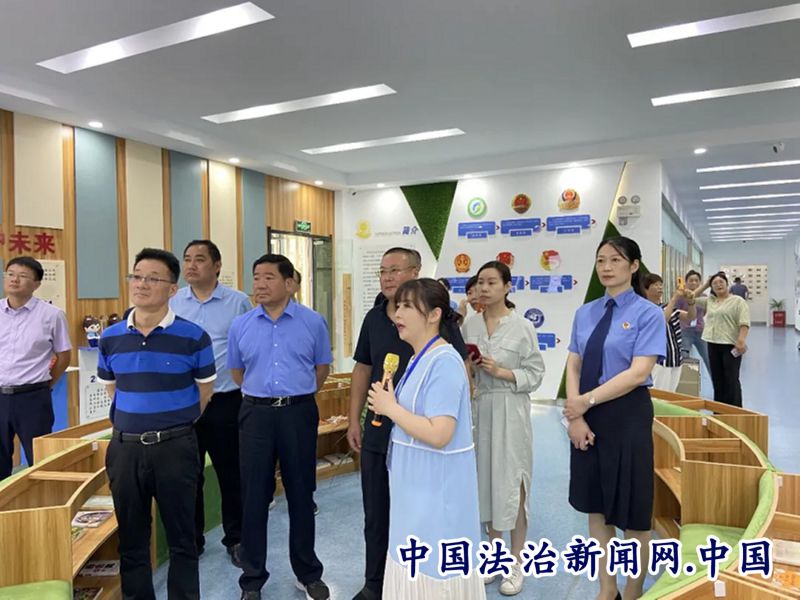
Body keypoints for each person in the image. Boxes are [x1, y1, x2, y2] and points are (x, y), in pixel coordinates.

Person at [347, 247, 469, 600]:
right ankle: (377, 583)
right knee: (379, 513)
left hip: (423, 439)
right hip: (382, 432)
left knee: (419, 515)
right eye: (382, 271)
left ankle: (420, 582)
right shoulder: (376, 322)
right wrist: (356, 418)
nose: (387, 277)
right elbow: (362, 369)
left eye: (395, 270)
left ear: (415, 272)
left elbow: (454, 387)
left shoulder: (440, 341)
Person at [97, 248, 216, 600]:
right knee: (132, 539)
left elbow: (204, 392)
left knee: (183, 538)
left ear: (172, 289)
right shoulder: (111, 337)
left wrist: (173, 424)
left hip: (176, 447)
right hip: (125, 449)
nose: (141, 284)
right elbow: (112, 388)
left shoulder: (194, 337)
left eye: (153, 278)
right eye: (136, 276)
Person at [367, 278, 484, 599]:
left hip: (436, 496)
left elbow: (440, 433)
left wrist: (390, 408)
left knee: (432, 575)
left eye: (407, 306)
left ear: (434, 315)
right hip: (414, 491)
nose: (397, 314)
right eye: (398, 306)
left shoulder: (444, 362)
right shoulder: (418, 357)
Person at [562, 237, 666, 600]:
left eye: (616, 260)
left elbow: (638, 373)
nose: (606, 267)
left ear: (634, 266)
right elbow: (574, 363)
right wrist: (576, 414)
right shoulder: (585, 313)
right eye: (601, 260)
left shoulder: (647, 313)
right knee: (596, 507)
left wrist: (585, 401)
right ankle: (608, 589)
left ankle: (633, 590)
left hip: (627, 414)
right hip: (587, 414)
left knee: (634, 511)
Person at [229, 254, 332, 600]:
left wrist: (294, 397)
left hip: (298, 413)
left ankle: (308, 573)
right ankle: (252, 579)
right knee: (254, 497)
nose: (260, 284)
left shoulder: (313, 322)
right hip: (255, 414)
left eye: (269, 277)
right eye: (256, 277)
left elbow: (321, 369)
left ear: (289, 283)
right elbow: (238, 373)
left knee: (301, 493)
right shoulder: (241, 325)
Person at [462, 261, 545, 596]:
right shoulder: (470, 325)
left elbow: (535, 374)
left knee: (513, 485)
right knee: (486, 485)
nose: (484, 288)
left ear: (508, 287)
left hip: (511, 409)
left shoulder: (522, 327)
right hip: (480, 409)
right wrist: (471, 369)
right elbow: (464, 369)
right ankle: (494, 558)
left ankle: (517, 562)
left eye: (492, 282)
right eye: (480, 282)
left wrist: (503, 373)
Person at [169, 240, 252, 566]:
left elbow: (249, 346)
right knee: (188, 474)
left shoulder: (238, 302)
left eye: (199, 259)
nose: (191, 265)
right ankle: (192, 539)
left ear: (217, 266)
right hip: (185, 401)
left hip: (225, 401)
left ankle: (237, 538)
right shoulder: (174, 301)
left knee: (231, 473)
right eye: (187, 259)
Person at [0, 256, 71, 480]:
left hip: (33, 397)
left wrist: (46, 384)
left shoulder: (52, 315)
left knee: (39, 460)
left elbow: (64, 355)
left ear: (37, 284)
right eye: (10, 274)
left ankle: (42, 501)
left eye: (22, 276)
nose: (14, 279)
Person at [692, 272, 750, 407]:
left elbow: (744, 322)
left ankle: (735, 410)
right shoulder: (710, 300)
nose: (718, 285)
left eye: (721, 282)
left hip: (730, 344)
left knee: (731, 379)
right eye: (714, 283)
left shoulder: (737, 301)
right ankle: (719, 410)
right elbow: (690, 297)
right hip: (712, 343)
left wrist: (741, 340)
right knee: (717, 379)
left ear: (727, 284)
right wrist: (705, 285)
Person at [643, 274, 695, 392]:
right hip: (659, 361)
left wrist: (691, 302)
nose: (659, 287)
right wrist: (674, 298)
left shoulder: (667, 306)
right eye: (655, 285)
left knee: (671, 394)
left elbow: (690, 317)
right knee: (658, 395)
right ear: (645, 289)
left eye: (661, 285)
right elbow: (662, 321)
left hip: (676, 359)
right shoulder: (645, 309)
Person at [675, 270, 710, 372]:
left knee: (708, 358)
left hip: (700, 330)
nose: (694, 283)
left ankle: (716, 381)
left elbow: (704, 312)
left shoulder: (704, 297)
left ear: (700, 282)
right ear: (686, 282)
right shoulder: (681, 296)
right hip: (685, 331)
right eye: (691, 280)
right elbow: (676, 312)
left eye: (696, 280)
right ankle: (686, 380)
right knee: (684, 356)